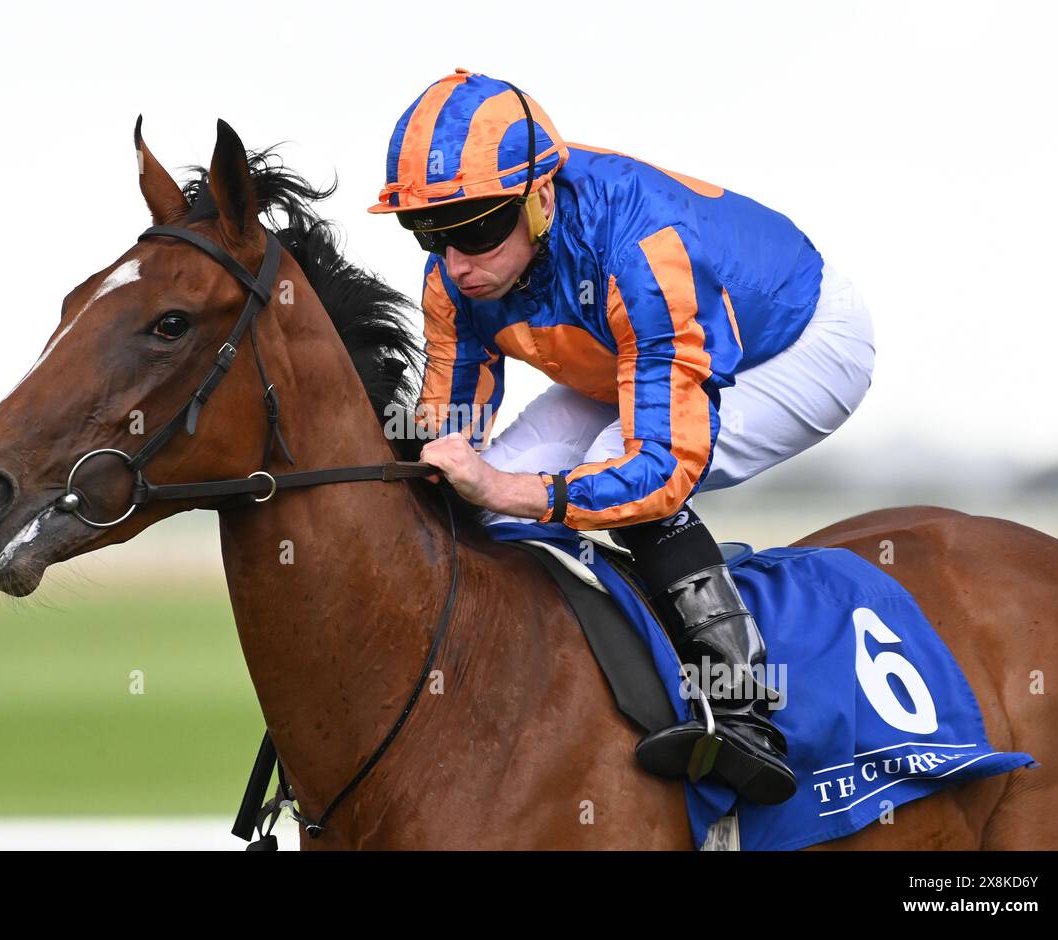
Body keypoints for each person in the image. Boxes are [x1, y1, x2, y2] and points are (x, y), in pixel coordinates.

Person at [367, 68, 875, 805]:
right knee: (472, 501)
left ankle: (743, 709)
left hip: (799, 344)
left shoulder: (642, 248)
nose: (454, 263)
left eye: (475, 228)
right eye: (428, 233)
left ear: (540, 199)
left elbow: (662, 467)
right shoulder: (455, 274)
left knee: (613, 474)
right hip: (632, 350)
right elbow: (451, 433)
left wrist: (516, 489)